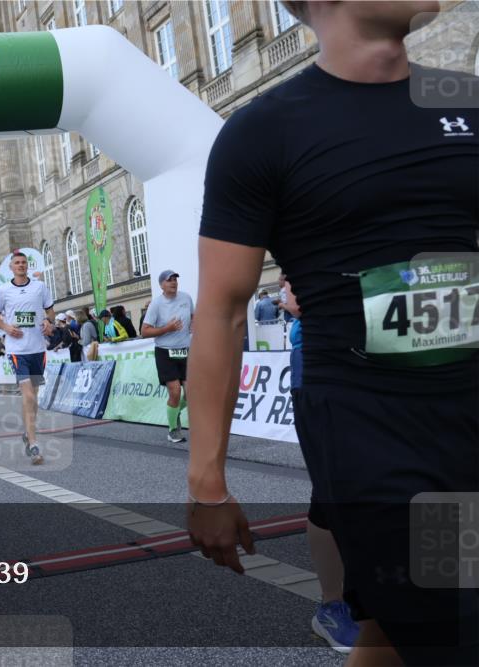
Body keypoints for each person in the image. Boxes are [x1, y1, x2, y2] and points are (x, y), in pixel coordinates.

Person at [186, 2, 478, 663]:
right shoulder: (264, 131)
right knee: (454, 623)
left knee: (397, 632)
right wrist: (208, 482)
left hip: (467, 411)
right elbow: (224, 309)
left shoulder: (465, 101)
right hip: (369, 428)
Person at [284, 278, 360, 653]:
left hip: (422, 360)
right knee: (333, 488)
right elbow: (293, 298)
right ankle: (334, 605)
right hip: (326, 366)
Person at [0, 250, 55, 465]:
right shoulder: (3, 291)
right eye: (17, 263)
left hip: (37, 348)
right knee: (27, 395)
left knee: (33, 397)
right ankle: (35, 444)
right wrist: (8, 327)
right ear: (11, 267)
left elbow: (50, 311)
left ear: (28, 266)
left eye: (23, 263)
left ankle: (28, 433)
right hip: (17, 350)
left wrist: (49, 322)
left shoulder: (40, 287)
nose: (21, 265)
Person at [139, 270, 194, 443]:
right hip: (165, 352)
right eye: (169, 280)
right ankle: (173, 430)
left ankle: (174, 411)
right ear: (161, 284)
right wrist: (167, 329)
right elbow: (144, 331)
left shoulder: (186, 298)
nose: (173, 283)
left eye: (175, 279)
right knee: (175, 391)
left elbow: (193, 316)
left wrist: (194, 323)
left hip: (185, 350)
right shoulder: (156, 304)